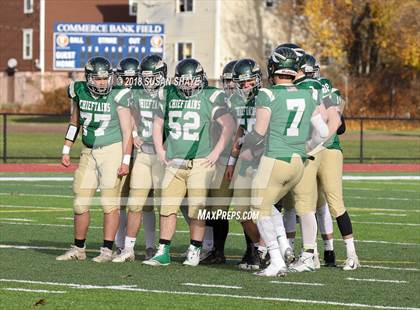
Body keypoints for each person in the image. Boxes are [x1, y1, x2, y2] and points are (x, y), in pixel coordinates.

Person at [243, 47, 328, 276]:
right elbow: (323, 131)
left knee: (258, 208)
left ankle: (276, 259)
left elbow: (259, 133)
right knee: (287, 207)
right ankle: (296, 251)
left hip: (275, 160)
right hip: (298, 162)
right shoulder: (308, 93)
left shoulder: (268, 94)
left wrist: (243, 141)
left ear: (273, 68)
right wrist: (305, 146)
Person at [143, 58, 235, 267]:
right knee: (167, 207)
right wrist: (160, 150)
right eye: (184, 81)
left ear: (200, 80)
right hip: (175, 161)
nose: (187, 85)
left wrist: (215, 152)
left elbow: (228, 126)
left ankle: (194, 249)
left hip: (200, 162)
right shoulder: (168, 94)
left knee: (196, 209)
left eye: (191, 81)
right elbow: (157, 124)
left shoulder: (209, 97)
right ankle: (163, 250)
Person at [56, 56, 132, 262]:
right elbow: (74, 121)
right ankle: (78, 248)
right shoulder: (78, 90)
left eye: (105, 78)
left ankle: (107, 250)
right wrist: (66, 148)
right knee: (80, 202)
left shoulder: (119, 94)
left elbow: (127, 131)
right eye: (97, 79)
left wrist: (126, 160)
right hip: (88, 151)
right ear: (88, 78)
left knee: (109, 203)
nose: (101, 82)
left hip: (112, 150)